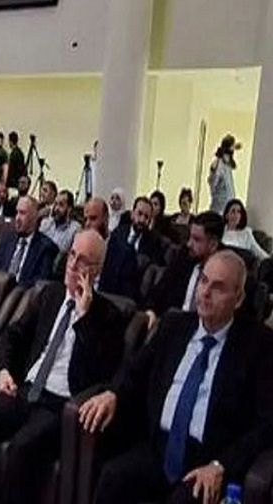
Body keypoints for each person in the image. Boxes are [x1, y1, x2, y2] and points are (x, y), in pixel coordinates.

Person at [79, 251, 273, 504]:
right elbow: (135, 370)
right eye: (203, 281)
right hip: (159, 446)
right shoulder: (175, 325)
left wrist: (221, 465)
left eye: (218, 287)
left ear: (238, 299)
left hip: (207, 458)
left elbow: (267, 423)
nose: (205, 292)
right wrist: (112, 393)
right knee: (112, 477)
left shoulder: (259, 346)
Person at [0, 230, 125, 504]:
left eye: (83, 260)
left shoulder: (109, 316)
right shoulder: (51, 293)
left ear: (97, 270)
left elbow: (98, 376)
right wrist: (4, 371)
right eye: (72, 255)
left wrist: (83, 318)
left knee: (20, 450)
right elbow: (13, 334)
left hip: (60, 407)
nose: (73, 264)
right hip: (24, 392)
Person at [145, 211, 224, 329]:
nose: (189, 244)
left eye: (196, 239)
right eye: (190, 237)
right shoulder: (185, 256)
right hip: (171, 324)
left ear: (213, 245)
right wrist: (151, 310)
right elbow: (160, 289)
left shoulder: (225, 271)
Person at [99, 197, 165, 302]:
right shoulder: (118, 233)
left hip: (132, 293)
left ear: (150, 221)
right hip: (109, 288)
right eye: (139, 214)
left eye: (146, 217)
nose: (142, 220)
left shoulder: (154, 241)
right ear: (132, 214)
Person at [0, 196, 59, 289]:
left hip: (22, 295)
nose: (17, 218)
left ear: (34, 217)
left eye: (22, 213)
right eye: (17, 212)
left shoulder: (46, 248)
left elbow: (39, 285)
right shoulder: (6, 240)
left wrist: (15, 291)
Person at [40, 189, 82, 254]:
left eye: (61, 205)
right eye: (56, 204)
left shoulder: (75, 229)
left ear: (69, 209)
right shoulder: (46, 223)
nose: (56, 208)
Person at [208, 134, 238, 213]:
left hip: (228, 207)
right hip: (219, 207)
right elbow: (213, 183)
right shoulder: (218, 164)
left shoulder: (228, 166)